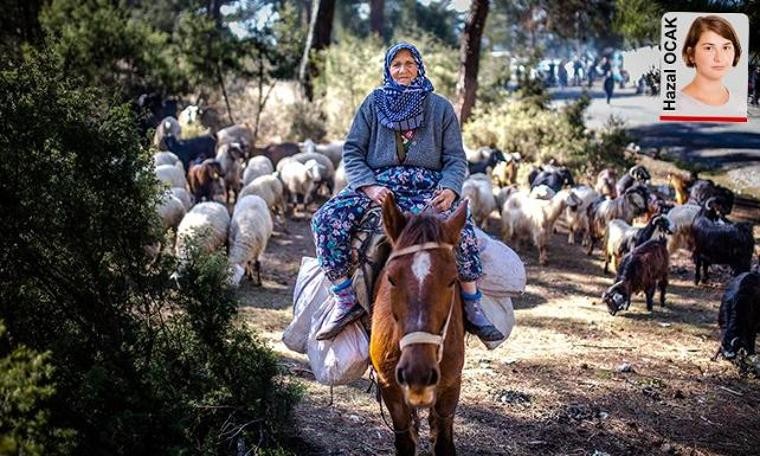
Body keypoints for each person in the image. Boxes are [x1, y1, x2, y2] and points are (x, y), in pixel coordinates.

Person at [310, 42, 503, 343]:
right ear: (388, 69)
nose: (403, 70)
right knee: (325, 219)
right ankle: (344, 298)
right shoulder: (373, 104)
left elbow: (455, 157)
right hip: (379, 186)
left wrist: (451, 189)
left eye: (409, 63)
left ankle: (472, 303)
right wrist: (369, 185)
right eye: (396, 64)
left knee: (459, 228)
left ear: (419, 67)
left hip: (427, 187)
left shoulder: (439, 108)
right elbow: (353, 150)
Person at [677, 15, 743, 115]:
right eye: (709, 48)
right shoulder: (677, 105)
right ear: (691, 54)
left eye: (726, 48)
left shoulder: (740, 104)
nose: (719, 58)